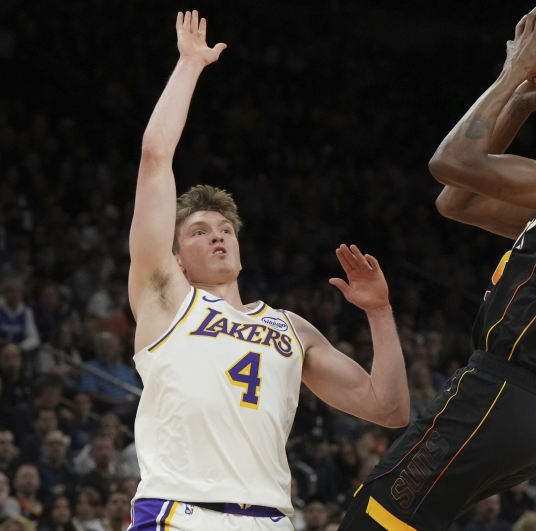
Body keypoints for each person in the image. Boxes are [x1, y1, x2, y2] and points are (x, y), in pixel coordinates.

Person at [341, 5, 536, 530]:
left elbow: (449, 162)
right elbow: (457, 201)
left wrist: (513, 70)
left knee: (370, 520)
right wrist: (519, 107)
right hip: (529, 412)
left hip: (498, 394)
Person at [127, 10, 408, 531]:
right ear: (176, 256)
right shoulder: (164, 297)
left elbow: (389, 409)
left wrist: (380, 313)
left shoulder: (291, 328)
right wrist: (190, 64)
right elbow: (154, 156)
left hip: (272, 520)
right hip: (181, 514)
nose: (217, 235)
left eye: (225, 229)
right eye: (198, 231)